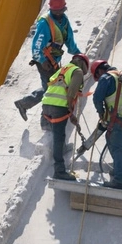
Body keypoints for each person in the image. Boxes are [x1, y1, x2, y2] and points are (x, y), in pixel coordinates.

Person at [15, 0, 80, 122]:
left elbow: (69, 40)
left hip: (54, 61)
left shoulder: (64, 21)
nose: (60, 13)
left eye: (62, 10)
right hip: (44, 61)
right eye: (57, 11)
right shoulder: (44, 23)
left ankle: (24, 104)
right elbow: (36, 46)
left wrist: (77, 53)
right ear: (52, 10)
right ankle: (45, 121)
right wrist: (43, 61)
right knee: (50, 90)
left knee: (50, 87)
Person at [90, 59, 122, 190]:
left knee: (116, 146)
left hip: (119, 118)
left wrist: (101, 113)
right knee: (111, 140)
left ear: (100, 71)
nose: (99, 78)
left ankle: (120, 180)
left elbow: (97, 98)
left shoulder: (106, 78)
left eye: (97, 76)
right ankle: (118, 170)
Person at [40, 53, 89, 181]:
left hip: (46, 106)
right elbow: (72, 91)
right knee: (59, 137)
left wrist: (70, 115)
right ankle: (59, 171)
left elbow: (52, 86)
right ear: (83, 64)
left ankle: (61, 150)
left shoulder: (62, 70)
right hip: (58, 107)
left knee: (58, 135)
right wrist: (69, 109)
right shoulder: (77, 71)